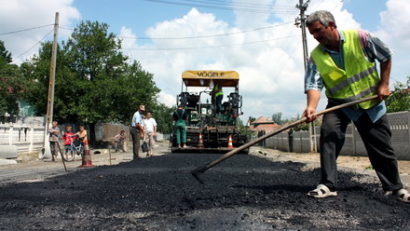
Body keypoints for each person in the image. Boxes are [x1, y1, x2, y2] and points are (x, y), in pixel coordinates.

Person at [302, 10, 409, 203]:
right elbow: (313, 84)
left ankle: (394, 188)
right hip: (339, 104)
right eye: (312, 34)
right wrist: (311, 106)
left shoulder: (360, 38)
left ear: (332, 25)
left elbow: (385, 55)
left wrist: (383, 85)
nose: (315, 36)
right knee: (329, 134)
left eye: (318, 31)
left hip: (369, 102)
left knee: (381, 146)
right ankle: (327, 185)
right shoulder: (316, 56)